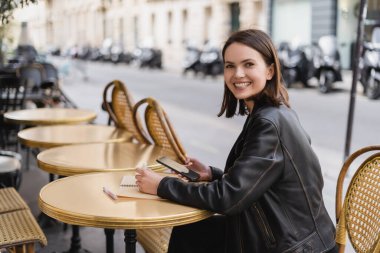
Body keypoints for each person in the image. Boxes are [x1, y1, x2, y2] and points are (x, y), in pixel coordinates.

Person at [135, 29, 337, 253]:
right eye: (230, 66)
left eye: (248, 64)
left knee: (191, 233)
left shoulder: (268, 124)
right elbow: (258, 182)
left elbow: (229, 199)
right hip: (289, 236)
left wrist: (162, 185)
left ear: (270, 70)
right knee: (190, 229)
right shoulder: (273, 112)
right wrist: (212, 175)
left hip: (296, 247)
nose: (237, 74)